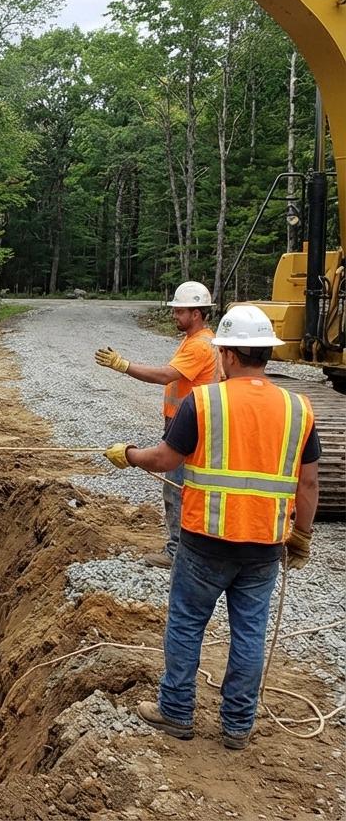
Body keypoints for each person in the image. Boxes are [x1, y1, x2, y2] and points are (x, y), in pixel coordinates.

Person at [104, 304, 320, 751]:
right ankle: (237, 726)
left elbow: (165, 459)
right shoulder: (299, 408)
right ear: (266, 353)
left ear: (231, 355)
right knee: (249, 632)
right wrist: (301, 536)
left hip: (205, 540)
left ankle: (177, 713)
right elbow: (310, 481)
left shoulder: (205, 401)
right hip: (263, 546)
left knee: (186, 624)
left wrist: (128, 454)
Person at [95, 280, 221, 568]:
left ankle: (177, 551)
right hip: (190, 423)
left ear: (197, 313)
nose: (175, 316)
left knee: (175, 485)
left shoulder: (200, 346)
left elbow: (166, 376)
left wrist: (122, 365)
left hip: (188, 426)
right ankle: (192, 546)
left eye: (180, 312)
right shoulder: (198, 340)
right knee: (184, 486)